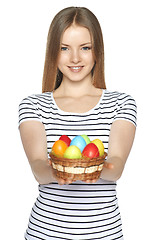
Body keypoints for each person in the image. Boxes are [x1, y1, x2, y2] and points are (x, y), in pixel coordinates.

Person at [18, 7, 137, 240]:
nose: (75, 58)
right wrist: (59, 171)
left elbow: (117, 165)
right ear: (53, 51)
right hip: (45, 233)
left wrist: (90, 168)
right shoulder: (33, 105)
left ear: (97, 51)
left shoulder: (121, 103)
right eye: (64, 48)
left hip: (104, 234)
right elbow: (38, 167)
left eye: (85, 48)